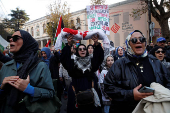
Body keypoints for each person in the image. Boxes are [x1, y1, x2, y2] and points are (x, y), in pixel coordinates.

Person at [103, 30, 170, 113]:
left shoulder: (156, 62)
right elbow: (108, 87)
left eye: (142, 39)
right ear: (128, 44)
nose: (138, 41)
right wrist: (131, 95)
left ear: (145, 43)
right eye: (134, 40)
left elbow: (168, 83)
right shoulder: (119, 64)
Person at [0, 30, 54, 113]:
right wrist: (2, 87)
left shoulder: (40, 66)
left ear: (26, 42)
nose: (11, 39)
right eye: (10, 38)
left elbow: (50, 93)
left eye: (15, 38)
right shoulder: (6, 66)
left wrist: (28, 89)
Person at [61, 34, 104, 113]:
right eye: (80, 49)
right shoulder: (72, 63)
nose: (82, 50)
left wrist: (96, 43)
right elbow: (64, 60)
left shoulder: (92, 62)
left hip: (91, 93)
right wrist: (69, 44)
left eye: (84, 49)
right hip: (76, 93)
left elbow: (99, 58)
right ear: (77, 51)